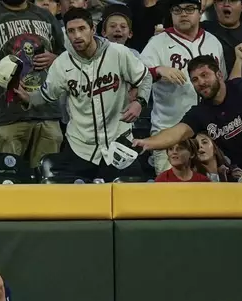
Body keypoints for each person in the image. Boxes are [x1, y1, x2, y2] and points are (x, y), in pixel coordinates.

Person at [15, 7, 152, 182]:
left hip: (118, 143)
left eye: (82, 29)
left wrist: (140, 101)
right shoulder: (62, 63)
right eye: (71, 31)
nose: (77, 35)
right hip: (80, 147)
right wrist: (28, 98)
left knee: (130, 200)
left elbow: (145, 76)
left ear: (93, 30)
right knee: (76, 205)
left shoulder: (118, 53)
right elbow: (47, 95)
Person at [0, 0, 65, 168]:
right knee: (8, 181)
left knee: (47, 185)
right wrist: (3, 77)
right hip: (7, 116)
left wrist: (55, 59)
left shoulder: (46, 16)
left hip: (47, 114)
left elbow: (65, 57)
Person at [133, 55, 242, 180]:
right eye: (195, 79)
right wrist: (145, 142)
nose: (201, 83)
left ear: (219, 74)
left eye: (205, 75)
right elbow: (177, 133)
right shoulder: (200, 112)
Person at [140, 0, 227, 175]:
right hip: (169, 130)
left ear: (199, 11)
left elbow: (222, 83)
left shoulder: (213, 42)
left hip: (208, 132)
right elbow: (136, 76)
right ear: (171, 14)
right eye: (177, 10)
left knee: (210, 192)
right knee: (171, 194)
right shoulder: (157, 43)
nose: (183, 14)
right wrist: (157, 70)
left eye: (189, 9)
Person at [201, 0, 242, 78]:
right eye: (221, 0)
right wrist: (204, 6)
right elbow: (189, 14)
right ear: (214, 6)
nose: (226, 4)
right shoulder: (204, 29)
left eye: (232, 0)